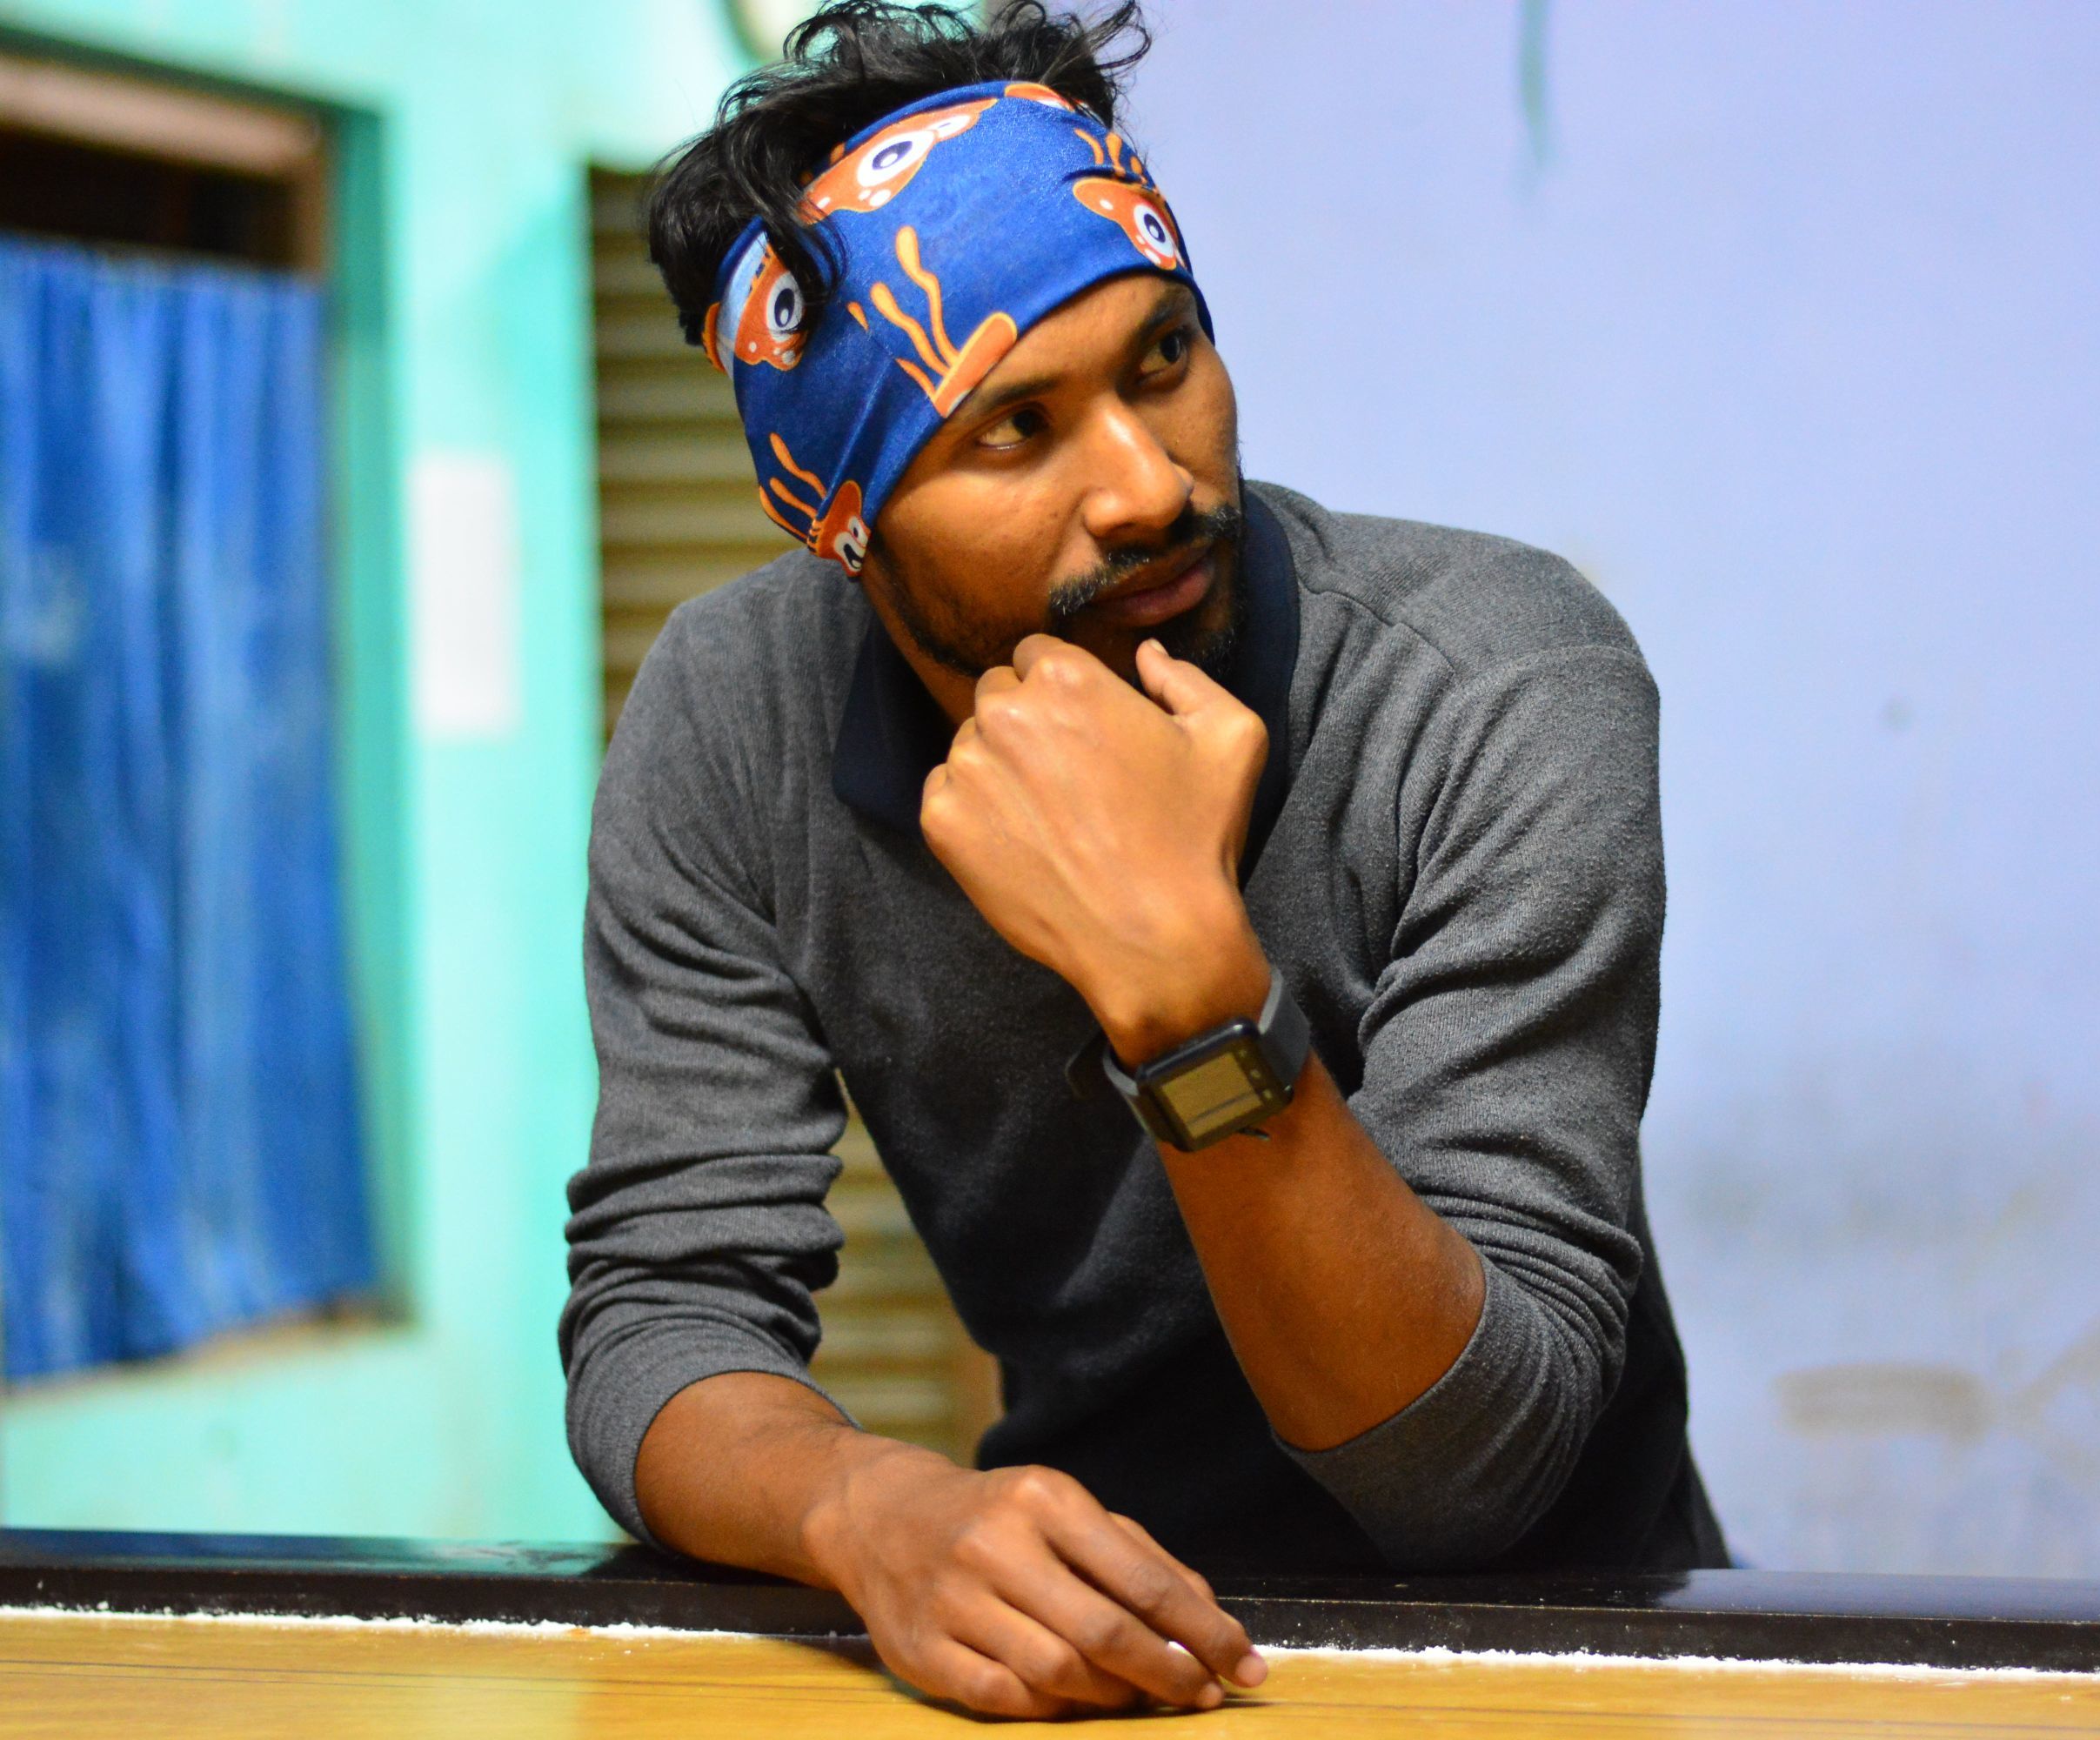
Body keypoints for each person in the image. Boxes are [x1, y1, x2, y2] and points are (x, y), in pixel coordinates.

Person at [560, 0, 1727, 1718]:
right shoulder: (736, 717)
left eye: (1163, 358)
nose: (1147, 486)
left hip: (1563, 1640)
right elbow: (662, 1314)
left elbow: (1470, 1476)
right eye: (1014, 429)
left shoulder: (1492, 682)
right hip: (1095, 1640)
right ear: (839, 517)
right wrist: (864, 1509)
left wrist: (1190, 1002)